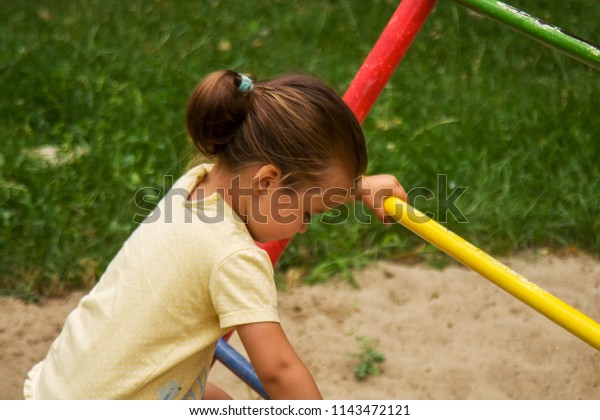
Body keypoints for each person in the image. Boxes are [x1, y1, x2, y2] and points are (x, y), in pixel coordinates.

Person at [24, 70, 407, 400]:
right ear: (268, 181)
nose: (304, 226)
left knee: (215, 399)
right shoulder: (233, 256)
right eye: (307, 212)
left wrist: (354, 188)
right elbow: (278, 370)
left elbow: (297, 182)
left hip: (62, 389)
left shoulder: (197, 183)